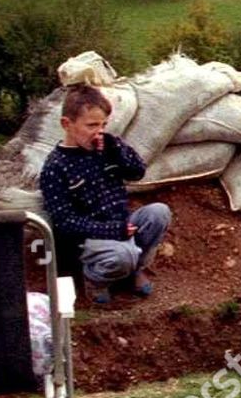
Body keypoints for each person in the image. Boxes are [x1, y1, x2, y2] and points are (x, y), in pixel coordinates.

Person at [39, 84, 171, 304]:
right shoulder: (55, 167)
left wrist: (116, 146)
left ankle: (133, 270)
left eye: (103, 125)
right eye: (92, 125)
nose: (99, 132)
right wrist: (112, 231)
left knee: (159, 213)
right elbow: (65, 222)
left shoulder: (106, 149)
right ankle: (95, 279)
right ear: (67, 124)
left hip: (120, 225)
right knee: (124, 255)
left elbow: (137, 172)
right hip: (88, 240)